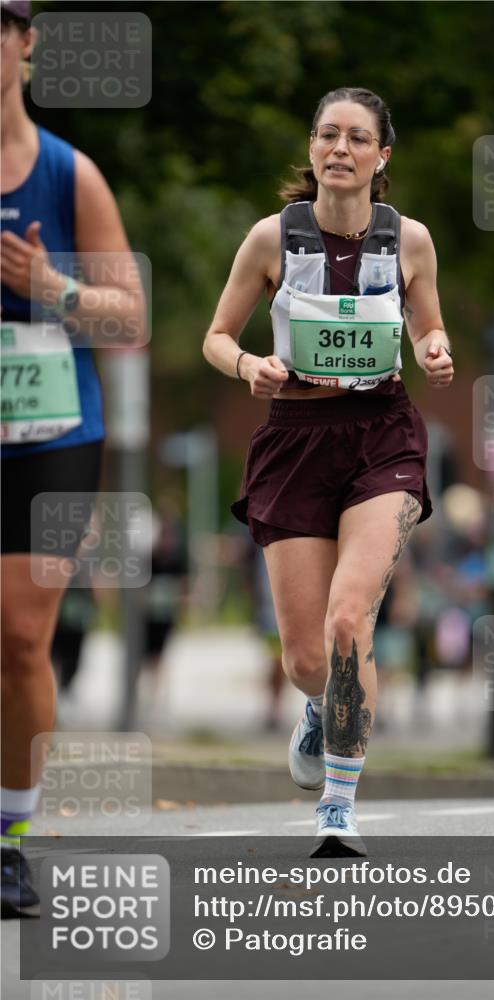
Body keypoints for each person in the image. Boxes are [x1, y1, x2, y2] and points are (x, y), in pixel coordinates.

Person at [203, 87, 453, 857]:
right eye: (326, 135)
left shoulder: (408, 240)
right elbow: (214, 336)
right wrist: (248, 365)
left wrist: (434, 349)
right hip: (295, 440)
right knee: (308, 657)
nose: (338, 148)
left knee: (350, 621)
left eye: (356, 138)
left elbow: (427, 322)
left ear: (382, 157)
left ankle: (337, 809)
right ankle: (318, 711)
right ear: (311, 149)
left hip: (381, 438)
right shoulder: (268, 239)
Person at [1, 0, 144, 916]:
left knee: (18, 635)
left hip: (53, 434)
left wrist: (52, 288)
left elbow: (128, 319)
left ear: (26, 44)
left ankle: (10, 835)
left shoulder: (68, 173)